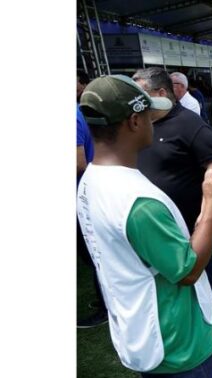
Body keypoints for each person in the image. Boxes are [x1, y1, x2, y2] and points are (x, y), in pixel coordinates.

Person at [77, 74, 212, 378]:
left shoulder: (90, 180)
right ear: (134, 121)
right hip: (179, 341)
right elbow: (188, 270)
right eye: (150, 114)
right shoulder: (138, 201)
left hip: (140, 332)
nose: (155, 120)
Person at [132, 67, 212, 351]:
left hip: (193, 225)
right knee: (169, 285)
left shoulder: (191, 125)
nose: (136, 103)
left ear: (161, 94)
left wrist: (205, 216)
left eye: (141, 95)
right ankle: (181, 334)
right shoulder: (141, 125)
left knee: (204, 281)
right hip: (158, 225)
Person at [76, 71, 108, 328]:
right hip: (92, 189)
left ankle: (106, 305)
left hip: (85, 192)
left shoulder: (75, 116)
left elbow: (78, 162)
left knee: (93, 252)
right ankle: (105, 302)